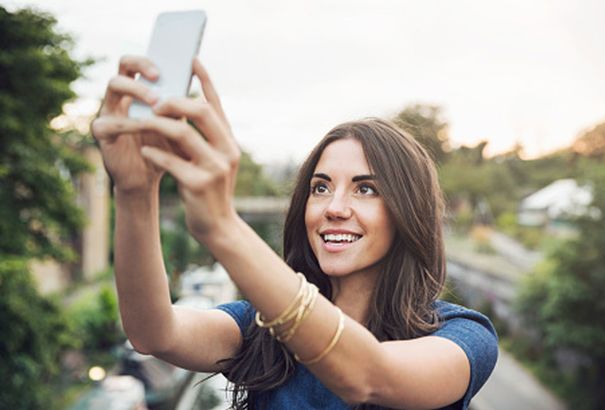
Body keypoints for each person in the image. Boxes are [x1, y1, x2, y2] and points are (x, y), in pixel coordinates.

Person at [91, 56, 498, 410]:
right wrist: (134, 192)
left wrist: (223, 226)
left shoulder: (464, 336)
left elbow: (367, 375)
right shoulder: (262, 325)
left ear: (408, 211)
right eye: (320, 187)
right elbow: (153, 333)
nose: (334, 208)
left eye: (366, 188)